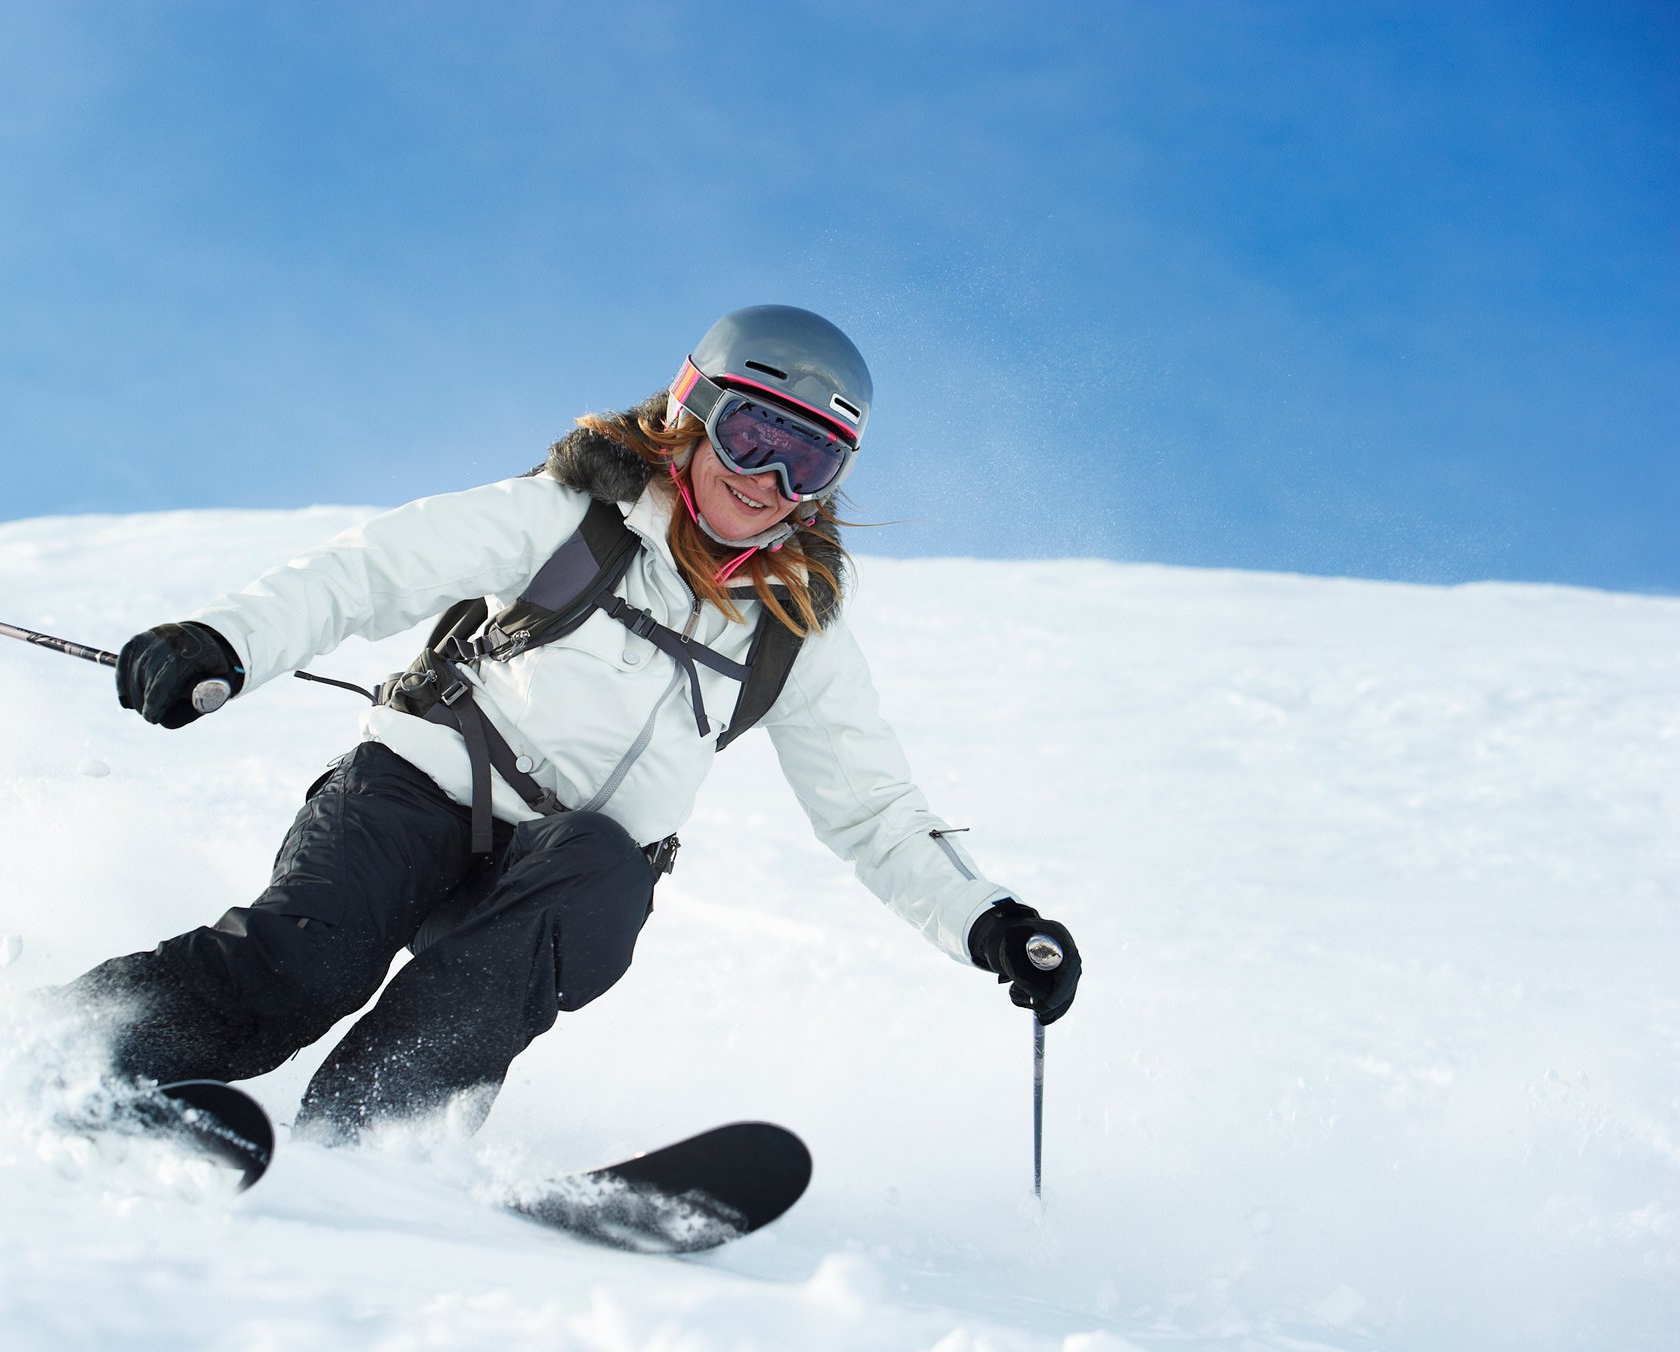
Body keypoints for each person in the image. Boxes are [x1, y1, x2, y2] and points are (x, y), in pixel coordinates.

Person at [60, 305, 1082, 1141]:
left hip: (556, 871)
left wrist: (992, 923)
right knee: (303, 967)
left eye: (806, 462)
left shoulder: (793, 629)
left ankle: (375, 1132)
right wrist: (226, 641)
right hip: (412, 795)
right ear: (693, 412)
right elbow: (374, 570)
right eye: (753, 435)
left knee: (603, 869)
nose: (768, 480)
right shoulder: (570, 515)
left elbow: (875, 814)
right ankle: (74, 1048)